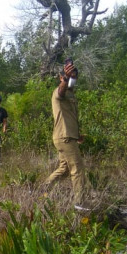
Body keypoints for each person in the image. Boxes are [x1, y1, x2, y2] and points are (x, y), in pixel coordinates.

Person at [45, 60, 88, 211]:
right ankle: (79, 203)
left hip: (69, 136)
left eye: (74, 77)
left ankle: (44, 189)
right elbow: (61, 90)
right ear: (61, 77)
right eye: (70, 76)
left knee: (64, 169)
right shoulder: (59, 93)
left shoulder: (71, 94)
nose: (72, 79)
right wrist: (65, 80)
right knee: (78, 168)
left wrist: (77, 134)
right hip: (64, 137)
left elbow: (69, 117)